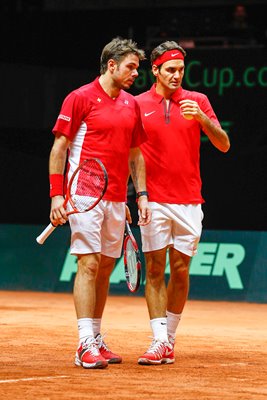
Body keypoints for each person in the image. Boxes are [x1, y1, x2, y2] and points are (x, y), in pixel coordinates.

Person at [48, 37, 151, 369]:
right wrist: (57, 195)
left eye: (138, 67)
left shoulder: (131, 104)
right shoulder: (79, 98)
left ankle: (95, 336)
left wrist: (140, 196)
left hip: (117, 199)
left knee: (105, 268)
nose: (137, 73)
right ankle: (83, 344)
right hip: (85, 198)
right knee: (89, 265)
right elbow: (59, 149)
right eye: (131, 67)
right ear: (112, 65)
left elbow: (136, 155)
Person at [135, 41, 230, 365]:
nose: (177, 75)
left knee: (180, 269)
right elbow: (130, 153)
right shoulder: (137, 104)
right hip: (153, 200)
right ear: (156, 70)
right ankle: (159, 340)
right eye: (170, 70)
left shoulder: (198, 101)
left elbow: (224, 144)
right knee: (154, 269)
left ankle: (169, 338)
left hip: (189, 200)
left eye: (181, 70)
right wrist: (138, 194)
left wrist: (203, 119)